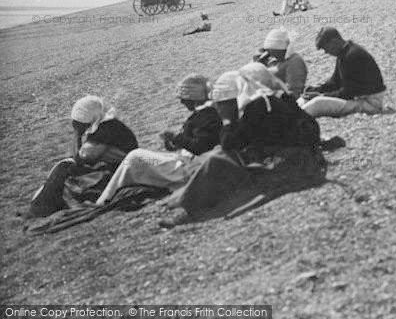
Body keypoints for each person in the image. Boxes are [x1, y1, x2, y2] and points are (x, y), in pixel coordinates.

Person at [162, 64, 322, 225]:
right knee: (218, 158)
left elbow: (229, 144)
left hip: (287, 163)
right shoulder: (271, 101)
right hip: (299, 157)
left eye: (225, 103)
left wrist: (227, 120)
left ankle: (191, 210)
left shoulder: (258, 107)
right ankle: (188, 202)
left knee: (217, 160)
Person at [96, 74, 221, 205]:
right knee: (136, 157)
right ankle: (109, 194)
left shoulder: (208, 117)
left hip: (188, 168)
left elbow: (200, 147)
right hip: (185, 161)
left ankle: (105, 199)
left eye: (185, 99)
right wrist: (172, 142)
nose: (182, 102)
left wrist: (176, 138)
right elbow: (195, 144)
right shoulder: (204, 114)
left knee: (135, 157)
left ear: (194, 98)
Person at [28, 95, 138, 217]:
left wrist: (77, 134)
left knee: (64, 169)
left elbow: (80, 158)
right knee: (65, 169)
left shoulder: (104, 131)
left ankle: (41, 208)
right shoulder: (108, 124)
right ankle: (43, 205)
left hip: (120, 170)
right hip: (118, 167)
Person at [301, 27, 386, 118]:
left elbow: (349, 92)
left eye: (326, 48)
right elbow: (335, 82)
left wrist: (322, 95)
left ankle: (294, 119)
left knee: (318, 103)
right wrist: (316, 89)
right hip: (359, 98)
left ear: (334, 42)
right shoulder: (345, 53)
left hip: (370, 103)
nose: (326, 52)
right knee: (305, 99)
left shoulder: (353, 55)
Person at [253, 28, 307, 98]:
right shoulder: (272, 60)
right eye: (268, 51)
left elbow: (295, 92)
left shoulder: (294, 62)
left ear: (278, 49)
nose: (269, 53)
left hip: (284, 101)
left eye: (271, 51)